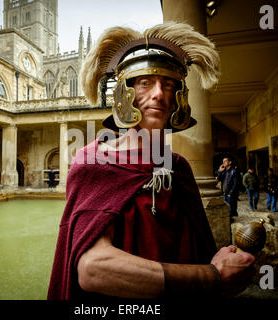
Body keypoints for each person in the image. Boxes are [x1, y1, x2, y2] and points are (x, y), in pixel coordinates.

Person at [47, 22, 254, 300]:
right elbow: (93, 269)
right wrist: (211, 276)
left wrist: (218, 261)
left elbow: (193, 247)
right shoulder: (93, 162)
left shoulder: (179, 167)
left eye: (167, 84)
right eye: (145, 83)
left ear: (178, 97)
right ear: (124, 94)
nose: (158, 93)